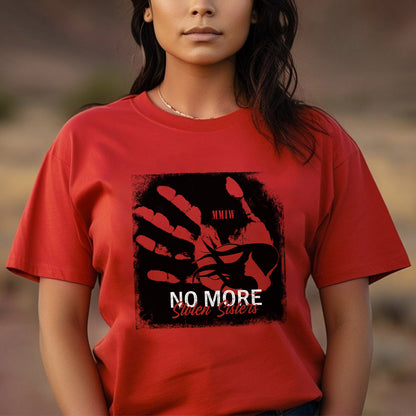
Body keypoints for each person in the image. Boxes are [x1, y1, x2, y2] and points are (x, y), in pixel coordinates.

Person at [6, 0, 410, 415]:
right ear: (147, 9)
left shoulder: (319, 143)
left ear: (256, 10)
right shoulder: (86, 142)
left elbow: (350, 322)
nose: (201, 6)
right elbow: (60, 324)